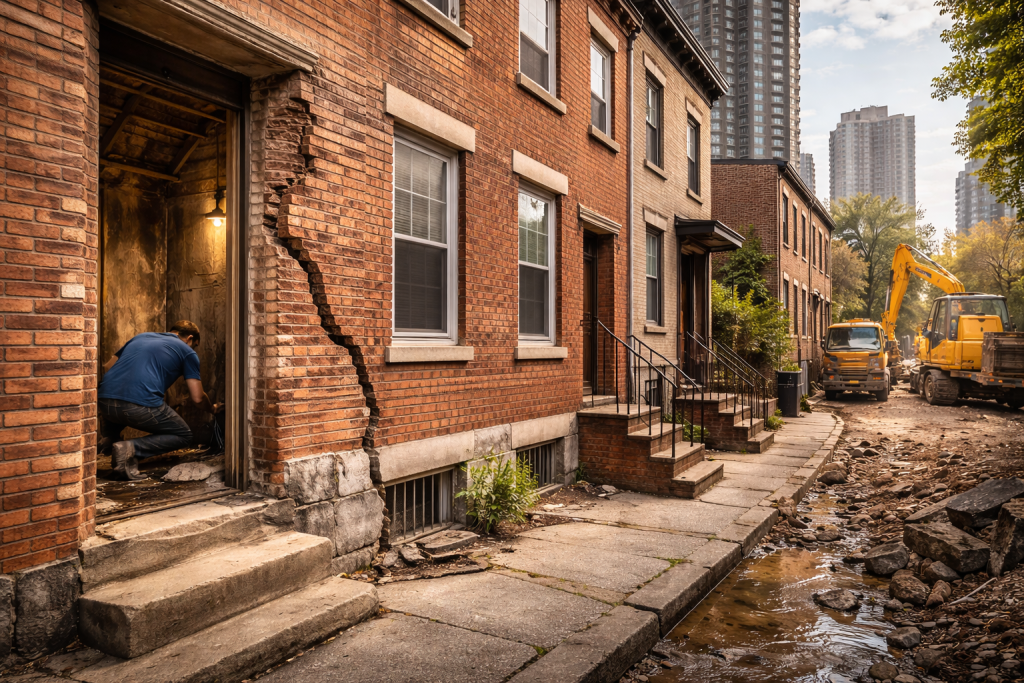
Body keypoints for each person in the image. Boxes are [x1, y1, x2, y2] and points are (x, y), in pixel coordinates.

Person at [98, 320, 222, 480]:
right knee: (183, 434)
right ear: (190, 338)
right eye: (194, 345)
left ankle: (108, 442)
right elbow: (197, 398)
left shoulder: (140, 337)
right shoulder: (187, 352)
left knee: (120, 404)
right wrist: (212, 408)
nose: (193, 348)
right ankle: (129, 449)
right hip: (136, 405)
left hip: (104, 401)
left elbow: (108, 366)